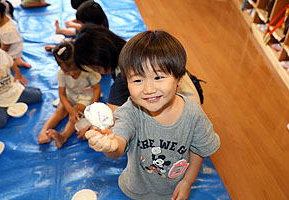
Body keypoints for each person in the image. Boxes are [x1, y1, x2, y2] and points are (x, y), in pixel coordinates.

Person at [85, 30, 220, 200]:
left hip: (173, 191)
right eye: (137, 80)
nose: (149, 90)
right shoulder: (131, 111)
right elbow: (118, 144)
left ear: (179, 79)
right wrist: (109, 146)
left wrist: (187, 182)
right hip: (135, 189)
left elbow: (198, 151)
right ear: (126, 82)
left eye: (158, 77)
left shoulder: (193, 114)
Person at [74, 23, 200, 113]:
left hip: (181, 110)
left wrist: (91, 125)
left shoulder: (125, 74)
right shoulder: (131, 51)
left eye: (92, 65)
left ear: (99, 58)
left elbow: (112, 115)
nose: (93, 70)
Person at [38, 41, 101, 148]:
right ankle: (43, 131)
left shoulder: (87, 70)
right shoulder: (61, 73)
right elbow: (62, 94)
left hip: (85, 96)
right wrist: (69, 109)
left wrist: (92, 106)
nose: (71, 73)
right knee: (60, 111)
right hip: (69, 94)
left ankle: (63, 136)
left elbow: (96, 88)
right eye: (67, 72)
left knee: (76, 114)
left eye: (75, 70)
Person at [0, 29, 42, 129]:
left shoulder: (3, 54)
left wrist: (18, 74)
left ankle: (10, 107)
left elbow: (12, 64)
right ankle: (4, 110)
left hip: (13, 92)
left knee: (38, 95)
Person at [0, 0, 31, 68]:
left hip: (11, 52)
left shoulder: (8, 30)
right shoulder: (0, 20)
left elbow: (5, 49)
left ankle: (15, 60)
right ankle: (16, 60)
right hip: (3, 44)